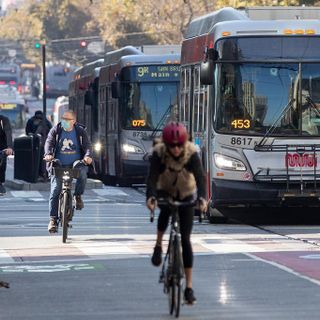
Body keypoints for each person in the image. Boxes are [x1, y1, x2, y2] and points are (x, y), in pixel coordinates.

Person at [146, 122, 207, 305]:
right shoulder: (158, 153)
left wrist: (202, 199)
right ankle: (158, 245)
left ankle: (188, 287)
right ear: (166, 144)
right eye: (172, 146)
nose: (176, 149)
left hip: (187, 193)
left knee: (186, 240)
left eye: (179, 145)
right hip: (165, 190)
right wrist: (151, 197)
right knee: (164, 212)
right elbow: (152, 178)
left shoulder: (192, 153)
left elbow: (200, 179)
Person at [44, 110, 93, 233]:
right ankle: (53, 220)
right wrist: (48, 154)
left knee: (82, 172)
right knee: (55, 190)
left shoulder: (80, 131)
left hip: (74, 165)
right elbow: (49, 142)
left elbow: (88, 146)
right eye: (63, 118)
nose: (65, 121)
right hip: (58, 164)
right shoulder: (56, 130)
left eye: (68, 119)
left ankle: (77, 196)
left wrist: (87, 156)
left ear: (74, 121)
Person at [26, 110, 52, 180]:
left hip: (35, 144)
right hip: (44, 144)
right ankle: (44, 174)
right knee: (43, 160)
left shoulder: (31, 120)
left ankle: (39, 174)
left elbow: (28, 132)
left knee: (36, 160)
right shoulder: (46, 121)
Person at [0, 115, 13, 195]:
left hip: (2, 147)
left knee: (2, 164)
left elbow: (8, 133)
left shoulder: (4, 120)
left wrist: (9, 147)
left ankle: (0, 183)